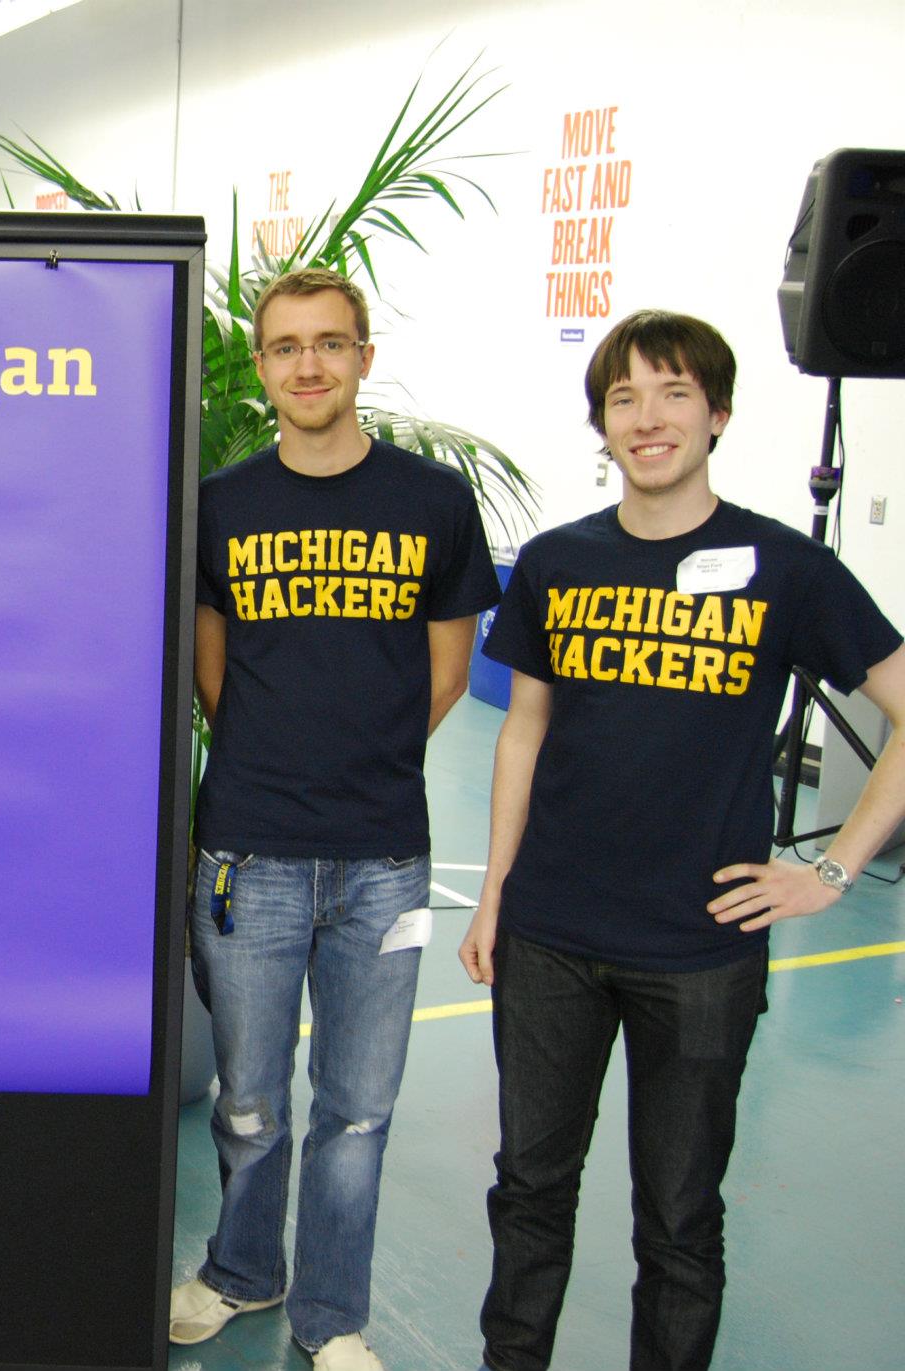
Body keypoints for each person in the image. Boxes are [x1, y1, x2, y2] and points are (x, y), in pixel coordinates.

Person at [459, 309, 905, 1371]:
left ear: (716, 415)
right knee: (528, 1191)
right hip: (550, 937)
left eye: (671, 394)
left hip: (700, 949)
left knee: (677, 1220)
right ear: (600, 424)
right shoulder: (560, 563)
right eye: (623, 398)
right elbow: (522, 731)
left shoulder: (782, 568)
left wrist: (830, 869)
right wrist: (492, 899)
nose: (646, 418)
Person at [171, 268, 500, 1371]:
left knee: (357, 1112)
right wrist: (284, 762)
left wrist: (350, 759)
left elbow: (443, 676)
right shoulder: (220, 505)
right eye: (283, 347)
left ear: (363, 356)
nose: (306, 365)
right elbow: (212, 676)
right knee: (250, 1102)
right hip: (249, 852)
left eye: (328, 343)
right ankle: (239, 1274)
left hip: (382, 864)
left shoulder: (431, 504)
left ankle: (330, 1318)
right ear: (260, 366)